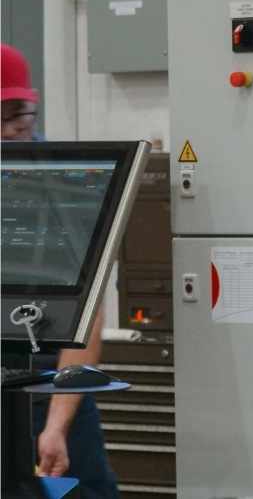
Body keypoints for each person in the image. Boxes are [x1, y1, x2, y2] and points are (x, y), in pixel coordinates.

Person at [1, 43, 120, 499]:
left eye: (19, 119)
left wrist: (56, 424)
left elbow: (85, 319)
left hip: (52, 393)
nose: (10, 133)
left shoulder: (65, 186)